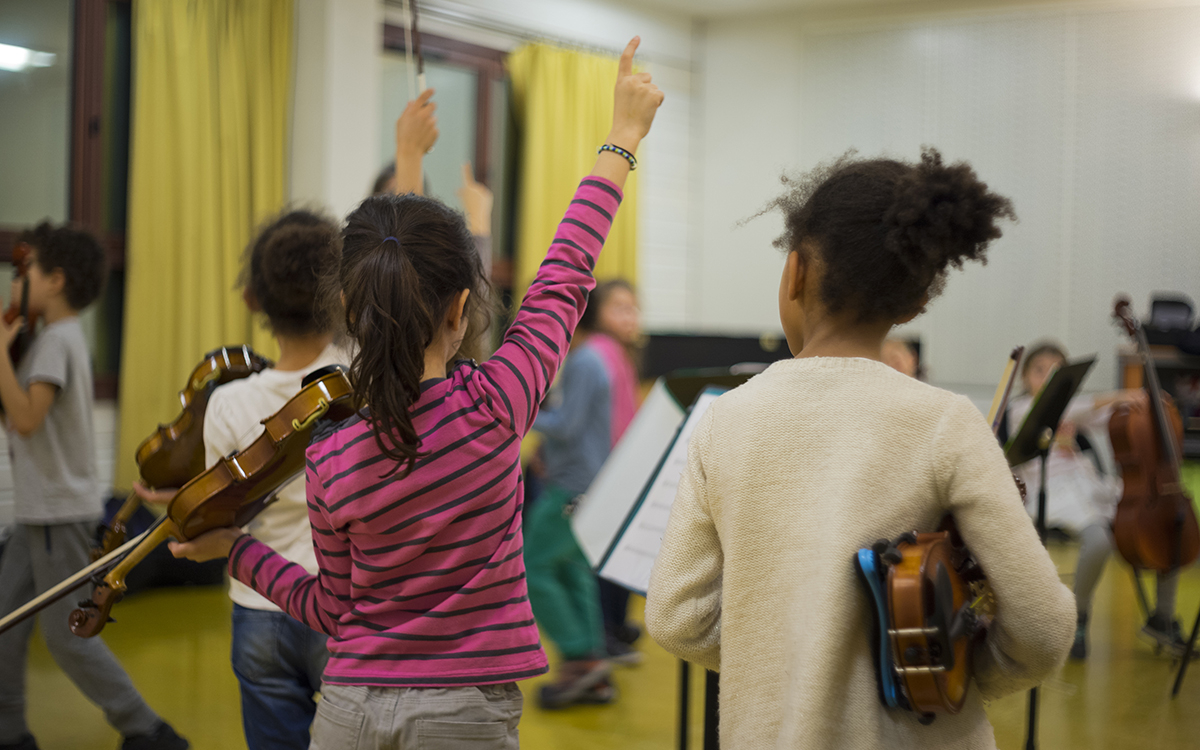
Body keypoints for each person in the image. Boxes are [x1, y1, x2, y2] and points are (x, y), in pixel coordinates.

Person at [166, 37, 662, 748]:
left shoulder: (330, 458)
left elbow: (330, 609)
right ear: (462, 310)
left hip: (346, 716)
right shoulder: (498, 405)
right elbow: (565, 275)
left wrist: (236, 550)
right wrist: (621, 135)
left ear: (350, 317)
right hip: (464, 721)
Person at [645, 150, 1075, 749]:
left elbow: (676, 616)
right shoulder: (947, 423)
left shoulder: (726, 419)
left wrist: (785, 669)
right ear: (913, 303)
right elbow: (1044, 626)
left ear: (795, 272)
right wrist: (947, 672)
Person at [135, 208, 344, 749]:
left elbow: (219, 503)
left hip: (258, 606)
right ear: (342, 295)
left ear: (253, 299)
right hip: (340, 606)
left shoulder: (228, 402)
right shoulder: (354, 377)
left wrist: (177, 501)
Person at [0, 223, 188, 750]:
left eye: (25, 272)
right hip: (41, 515)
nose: (16, 284)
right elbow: (18, 423)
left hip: (57, 516)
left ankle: (148, 731)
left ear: (54, 281)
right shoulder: (53, 340)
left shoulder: (57, 342)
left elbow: (28, 419)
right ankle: (9, 731)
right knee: (5, 624)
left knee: (67, 637)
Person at [1007, 341, 1187, 659]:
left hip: (1091, 486)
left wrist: (1144, 406)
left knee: (1168, 521)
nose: (1047, 377)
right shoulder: (1021, 410)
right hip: (1053, 493)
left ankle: (1163, 616)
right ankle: (1078, 615)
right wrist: (1123, 394)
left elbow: (1106, 415)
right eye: (1039, 370)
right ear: (1024, 378)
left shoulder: (1074, 410)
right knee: (1100, 541)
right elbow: (1083, 407)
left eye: (1055, 372)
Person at [525, 280, 644, 709]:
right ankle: (592, 664)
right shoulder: (607, 358)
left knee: (533, 564)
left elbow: (567, 426)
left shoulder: (585, 360)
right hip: (595, 483)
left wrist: (521, 410)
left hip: (571, 487)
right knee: (573, 568)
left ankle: (578, 655)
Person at [578, 280, 645, 654]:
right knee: (603, 558)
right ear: (597, 313)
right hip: (603, 472)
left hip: (622, 468)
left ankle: (616, 626)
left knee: (620, 553)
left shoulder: (621, 354)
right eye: (618, 307)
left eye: (633, 308)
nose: (629, 315)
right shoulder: (597, 353)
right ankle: (606, 629)